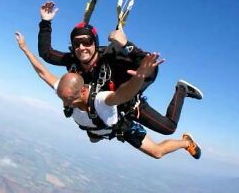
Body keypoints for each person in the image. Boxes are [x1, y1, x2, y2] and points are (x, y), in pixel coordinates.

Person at [16, 32, 201, 159]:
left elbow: (123, 93)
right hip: (102, 122)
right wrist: (24, 48)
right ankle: (98, 132)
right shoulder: (66, 90)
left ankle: (184, 132)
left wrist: (140, 77)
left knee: (159, 149)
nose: (66, 103)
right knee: (94, 135)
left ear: (81, 92)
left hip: (122, 119)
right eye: (63, 98)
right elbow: (42, 72)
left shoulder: (101, 100)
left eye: (69, 99)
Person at [37, 0, 202, 135]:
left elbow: (148, 67)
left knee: (168, 128)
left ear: (95, 42)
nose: (81, 47)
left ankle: (181, 90)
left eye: (86, 42)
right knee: (95, 135)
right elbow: (47, 53)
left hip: (127, 100)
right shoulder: (73, 60)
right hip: (107, 108)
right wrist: (45, 22)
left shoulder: (111, 58)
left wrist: (126, 45)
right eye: (76, 43)